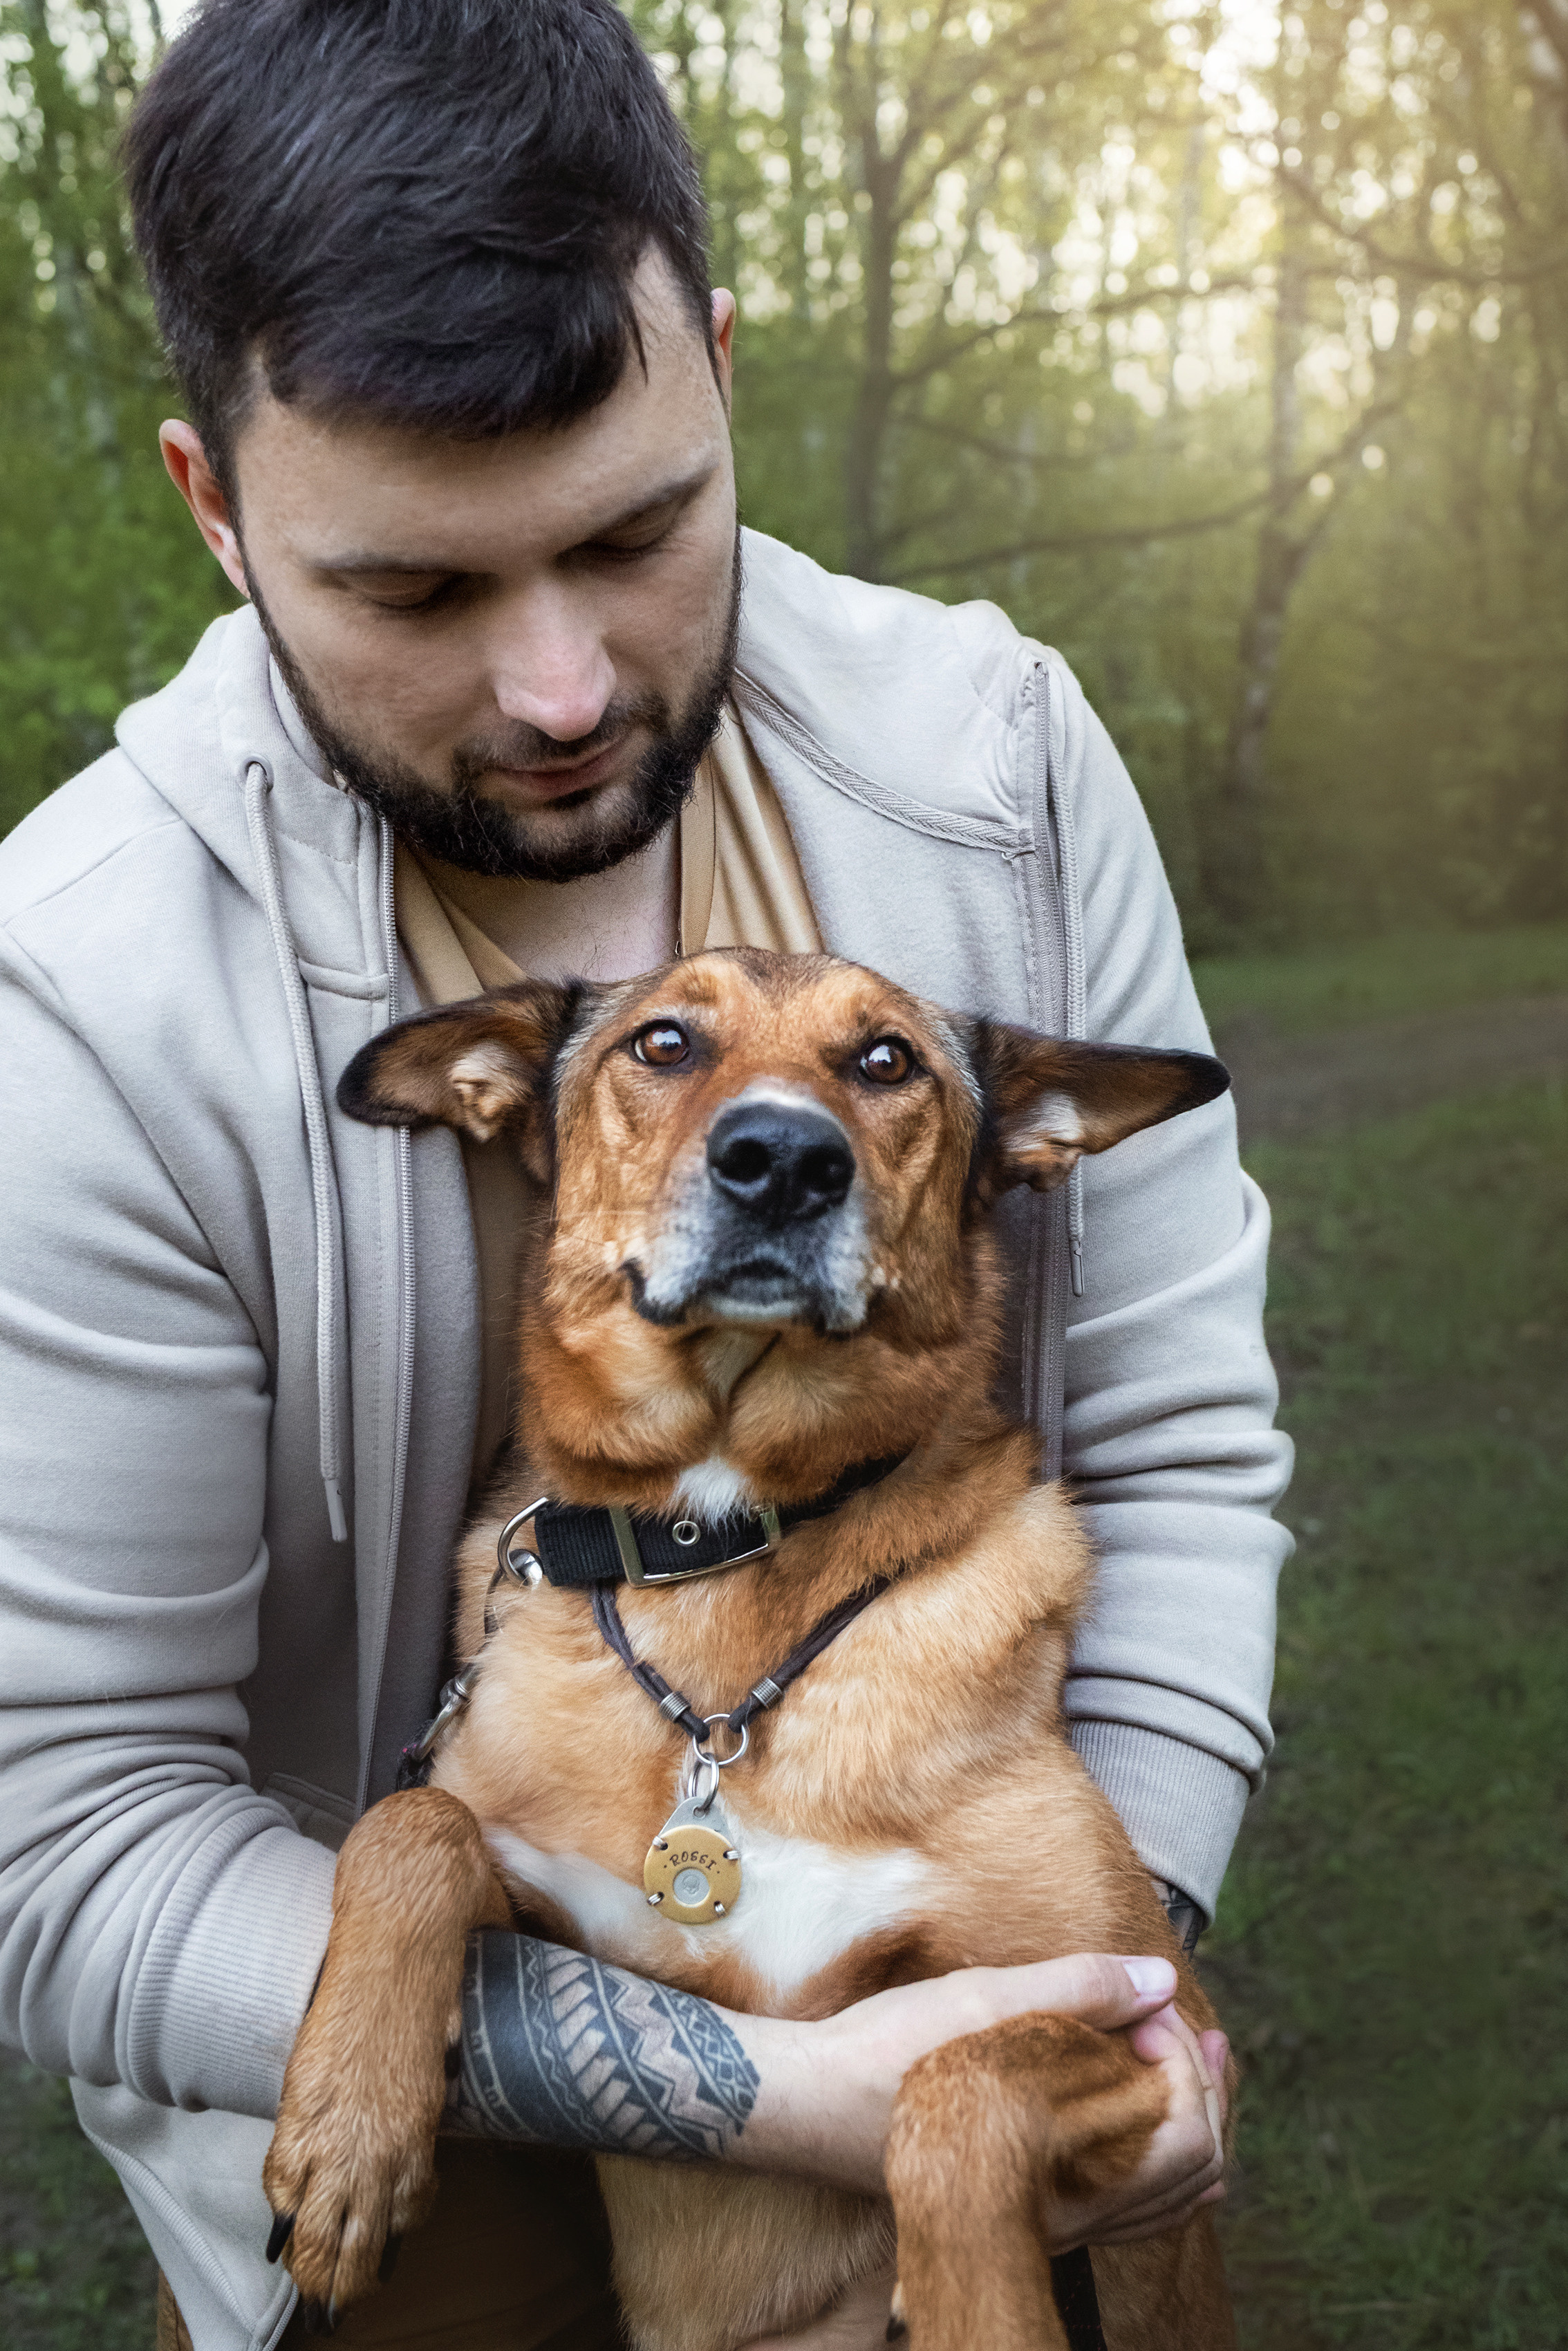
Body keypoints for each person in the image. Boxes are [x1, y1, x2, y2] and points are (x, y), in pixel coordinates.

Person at [0, 1, 1292, 2345]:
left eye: (632, 529)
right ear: (216, 505)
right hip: (407, 2210)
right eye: (413, 594)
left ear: (711, 360)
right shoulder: (77, 1003)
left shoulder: (990, 761)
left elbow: (1188, 1448)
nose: (567, 686)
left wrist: (1082, 1987)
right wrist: (770, 2088)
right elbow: (61, 1844)